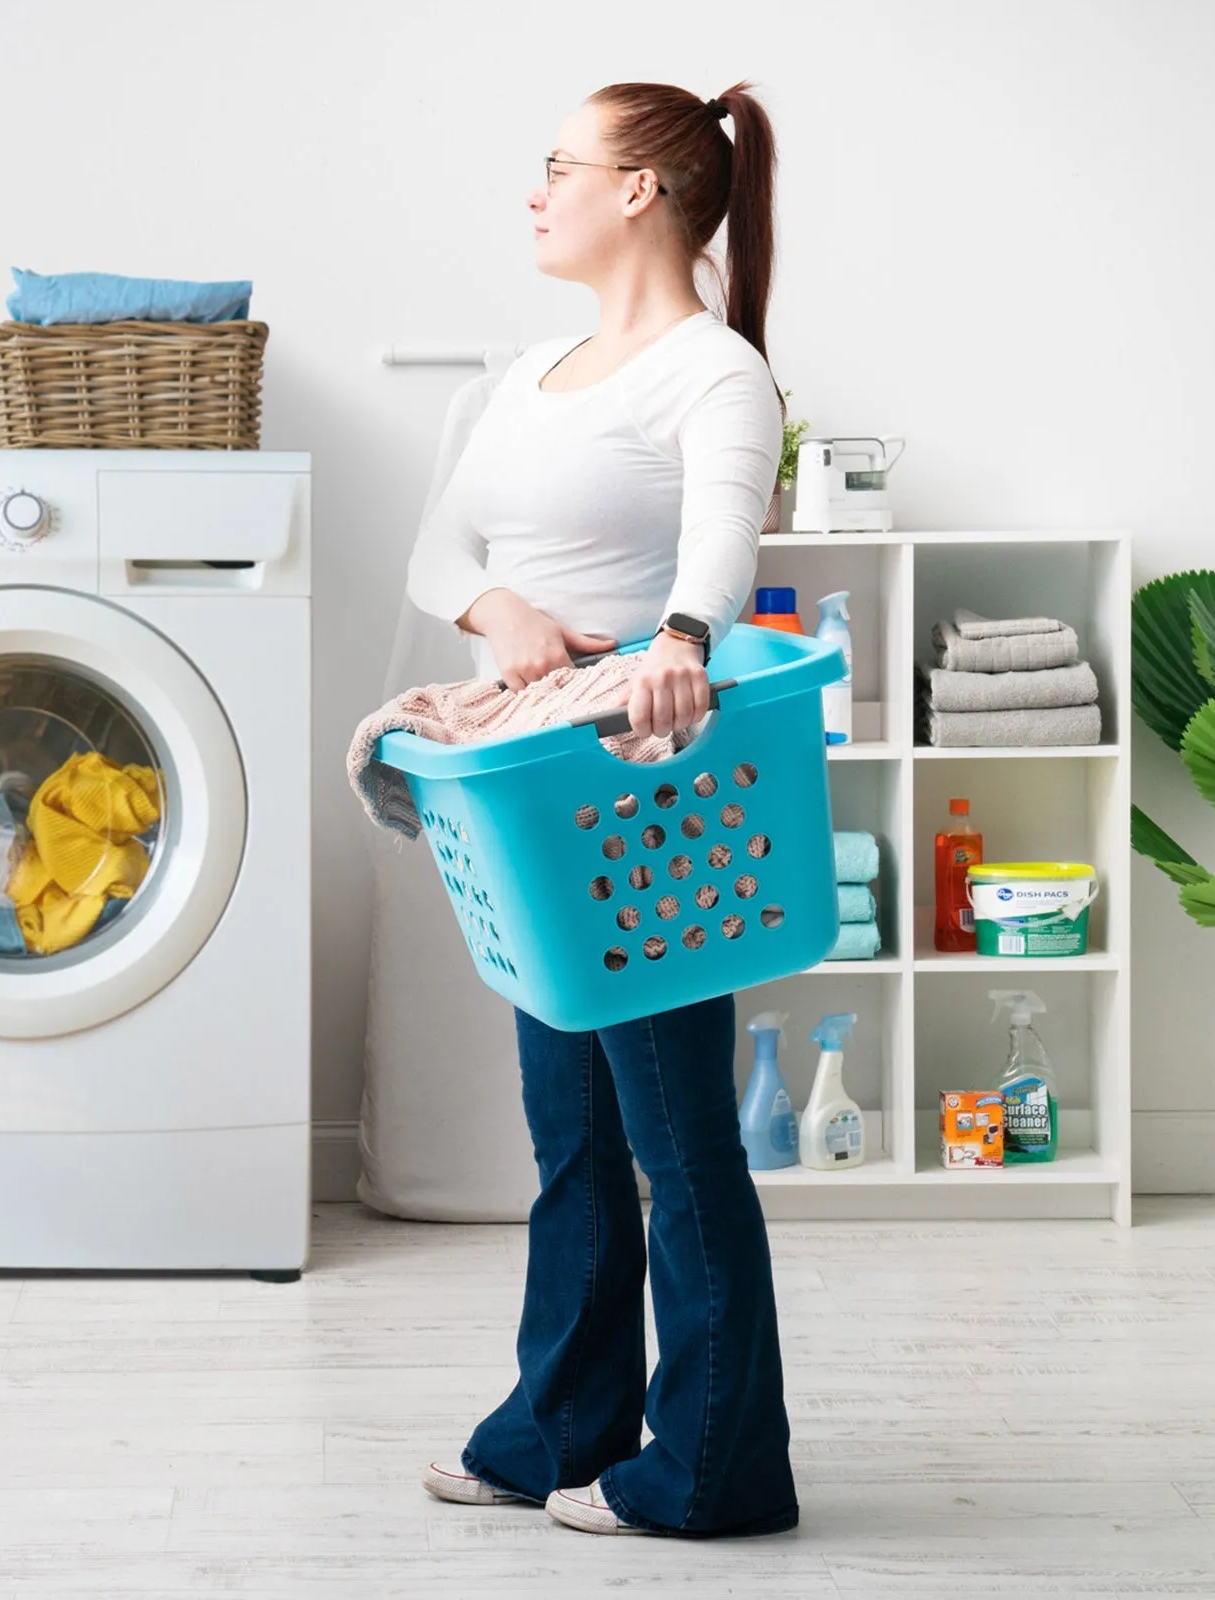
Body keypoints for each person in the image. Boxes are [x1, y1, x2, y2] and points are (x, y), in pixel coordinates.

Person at [407, 79, 796, 1540]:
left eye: (558, 166)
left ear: (638, 189)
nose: (536, 190)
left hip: (647, 786)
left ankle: (712, 1467)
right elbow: (440, 547)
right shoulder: (534, 369)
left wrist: (681, 641)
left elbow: (722, 537)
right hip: (536, 793)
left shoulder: (714, 372)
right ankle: (557, 1435)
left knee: (676, 1138)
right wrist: (498, 603)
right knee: (572, 1132)